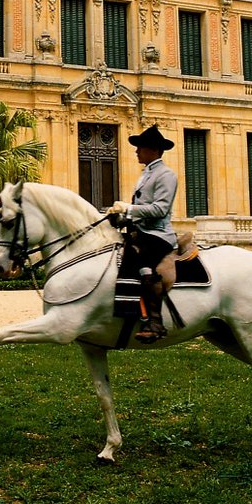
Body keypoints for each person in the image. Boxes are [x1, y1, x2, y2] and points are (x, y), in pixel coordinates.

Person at [109, 125, 178, 342]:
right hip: (142, 232)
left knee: (144, 264)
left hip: (158, 235)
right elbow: (142, 209)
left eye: (140, 147)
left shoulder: (166, 175)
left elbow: (160, 209)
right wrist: (121, 218)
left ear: (154, 150)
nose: (136, 151)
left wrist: (129, 209)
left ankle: (155, 322)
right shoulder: (146, 173)